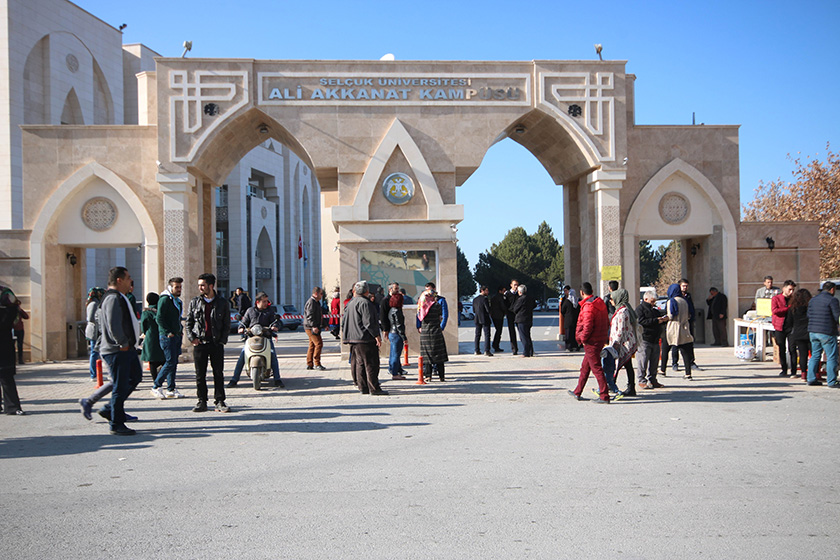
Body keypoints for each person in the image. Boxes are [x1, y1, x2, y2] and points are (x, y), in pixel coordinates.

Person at [97, 267, 143, 435]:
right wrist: (122, 342)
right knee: (120, 385)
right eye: (128, 278)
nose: (131, 281)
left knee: (135, 377)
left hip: (127, 348)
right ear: (119, 280)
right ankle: (116, 423)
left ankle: (111, 409)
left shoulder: (119, 297)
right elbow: (113, 324)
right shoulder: (112, 298)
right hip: (117, 350)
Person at [185, 273, 231, 412]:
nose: (200, 288)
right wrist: (191, 337)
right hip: (200, 343)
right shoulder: (195, 302)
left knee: (218, 373)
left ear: (211, 286)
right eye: (199, 285)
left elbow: (226, 324)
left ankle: (220, 400)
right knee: (200, 374)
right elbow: (189, 322)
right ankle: (201, 401)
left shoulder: (222, 303)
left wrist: (222, 340)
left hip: (215, 343)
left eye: (203, 285)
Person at [228, 292, 283, 387]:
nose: (266, 303)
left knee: (273, 355)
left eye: (267, 301)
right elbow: (244, 322)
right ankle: (234, 379)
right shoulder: (250, 311)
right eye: (264, 301)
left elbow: (274, 322)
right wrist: (241, 328)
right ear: (258, 302)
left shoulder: (269, 311)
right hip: (251, 337)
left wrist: (275, 326)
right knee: (242, 357)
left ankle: (277, 379)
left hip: (266, 337)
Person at [342, 281, 387, 395]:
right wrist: (376, 335)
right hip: (364, 338)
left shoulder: (350, 303)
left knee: (360, 364)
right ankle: (374, 388)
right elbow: (369, 322)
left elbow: (344, 322)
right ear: (367, 291)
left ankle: (363, 387)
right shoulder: (365, 303)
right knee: (371, 364)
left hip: (353, 338)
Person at [568, 282, 610, 403]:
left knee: (596, 368)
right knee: (585, 367)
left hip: (592, 341)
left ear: (581, 292)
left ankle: (604, 395)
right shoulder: (599, 303)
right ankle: (578, 391)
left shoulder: (588, 306)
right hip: (599, 338)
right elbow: (606, 321)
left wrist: (583, 339)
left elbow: (587, 326)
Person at [602, 288, 638, 397]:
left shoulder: (623, 311)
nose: (611, 301)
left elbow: (621, 329)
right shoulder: (621, 309)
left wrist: (615, 344)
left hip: (623, 344)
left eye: (612, 299)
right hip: (622, 343)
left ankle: (614, 386)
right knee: (624, 365)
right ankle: (621, 386)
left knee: (617, 365)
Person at [152, 277, 184, 399]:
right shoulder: (165, 300)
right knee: (170, 361)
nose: (179, 289)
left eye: (180, 287)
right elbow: (159, 318)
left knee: (174, 362)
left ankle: (171, 388)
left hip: (176, 335)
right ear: (170, 287)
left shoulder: (177, 301)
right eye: (176, 287)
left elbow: (177, 318)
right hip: (167, 336)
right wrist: (167, 331)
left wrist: (179, 330)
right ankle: (156, 385)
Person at [806, 281, 839, 387]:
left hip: (813, 331)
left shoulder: (813, 300)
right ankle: (832, 381)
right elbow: (836, 316)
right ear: (832, 289)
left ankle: (811, 378)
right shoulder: (832, 300)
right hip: (827, 332)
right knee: (831, 357)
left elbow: (808, 315)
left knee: (815, 355)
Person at [0, 284, 24, 415]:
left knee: (6, 375)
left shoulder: (5, 292)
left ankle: (12, 406)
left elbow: (14, 310)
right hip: (4, 339)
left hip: (3, 340)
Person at [636, 290, 667, 389]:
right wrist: (656, 320)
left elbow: (658, 321)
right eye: (652, 301)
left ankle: (653, 379)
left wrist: (663, 320)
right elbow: (641, 321)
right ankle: (641, 380)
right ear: (645, 299)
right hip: (645, 339)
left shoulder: (655, 310)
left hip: (655, 339)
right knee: (643, 361)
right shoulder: (640, 309)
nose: (653, 303)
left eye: (654, 301)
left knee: (654, 361)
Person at [417, 283, 449, 382]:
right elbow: (441, 315)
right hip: (436, 330)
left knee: (427, 355)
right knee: (438, 354)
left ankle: (428, 375)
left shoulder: (422, 307)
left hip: (426, 332)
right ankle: (441, 376)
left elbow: (418, 316)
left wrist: (419, 326)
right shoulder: (436, 305)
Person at [663, 283, 695, 380]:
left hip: (673, 327)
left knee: (665, 348)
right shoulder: (684, 301)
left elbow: (671, 315)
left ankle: (662, 369)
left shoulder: (671, 301)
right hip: (684, 327)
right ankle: (688, 373)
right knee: (685, 351)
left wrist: (663, 318)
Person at [381, 283, 409, 379]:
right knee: (395, 353)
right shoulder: (388, 303)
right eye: (395, 288)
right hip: (394, 332)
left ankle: (397, 369)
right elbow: (384, 317)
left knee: (394, 352)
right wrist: (385, 329)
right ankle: (394, 371)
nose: (397, 290)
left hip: (393, 332)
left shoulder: (393, 308)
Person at [669, 278, 697, 371]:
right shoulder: (673, 299)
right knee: (675, 345)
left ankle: (691, 362)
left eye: (686, 286)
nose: (685, 287)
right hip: (676, 325)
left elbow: (691, 309)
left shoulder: (687, 297)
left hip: (686, 323)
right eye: (683, 286)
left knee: (688, 344)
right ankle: (674, 363)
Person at [771, 280, 797, 377]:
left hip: (791, 327)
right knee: (781, 348)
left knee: (792, 349)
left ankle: (793, 371)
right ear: (784, 289)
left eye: (793, 290)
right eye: (790, 289)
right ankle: (784, 369)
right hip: (780, 326)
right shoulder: (776, 299)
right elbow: (775, 311)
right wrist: (788, 308)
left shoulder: (794, 299)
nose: (791, 292)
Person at [787, 288, 812, 381]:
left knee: (802, 354)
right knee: (814, 354)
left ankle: (803, 374)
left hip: (797, 333)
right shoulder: (810, 307)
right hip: (809, 332)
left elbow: (789, 322)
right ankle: (815, 373)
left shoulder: (792, 308)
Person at [140, 292, 165, 382]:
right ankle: (162, 375)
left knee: (153, 361)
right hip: (162, 335)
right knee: (163, 359)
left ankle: (155, 380)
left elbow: (143, 326)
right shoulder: (160, 310)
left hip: (150, 337)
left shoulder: (146, 312)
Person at [84, 287, 105, 380]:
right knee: (94, 352)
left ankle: (97, 373)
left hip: (96, 330)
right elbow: (91, 318)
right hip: (94, 331)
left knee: (96, 352)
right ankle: (94, 375)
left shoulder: (96, 302)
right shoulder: (94, 304)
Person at [304, 287, 327, 371]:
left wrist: (324, 324)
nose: (322, 295)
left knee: (312, 345)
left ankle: (309, 363)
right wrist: (313, 326)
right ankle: (317, 363)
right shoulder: (311, 302)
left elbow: (319, 315)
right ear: (316, 293)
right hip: (310, 327)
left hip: (313, 326)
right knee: (318, 344)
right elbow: (309, 316)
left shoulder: (316, 302)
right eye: (321, 293)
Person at [512, 284, 537, 357]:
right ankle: (530, 351)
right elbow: (534, 305)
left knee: (523, 336)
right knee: (528, 336)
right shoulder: (530, 298)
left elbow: (515, 309)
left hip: (521, 319)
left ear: (520, 292)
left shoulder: (520, 299)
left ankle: (526, 352)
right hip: (528, 319)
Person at [472, 285, 493, 356]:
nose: (488, 292)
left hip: (477, 319)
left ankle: (476, 350)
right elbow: (488, 309)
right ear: (482, 291)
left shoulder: (475, 299)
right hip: (485, 318)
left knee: (477, 335)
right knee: (487, 335)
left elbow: (474, 310)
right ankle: (487, 350)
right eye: (486, 290)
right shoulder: (485, 299)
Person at [560, 285, 580, 352]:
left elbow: (562, 310)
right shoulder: (577, 301)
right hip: (575, 320)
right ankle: (575, 346)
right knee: (574, 333)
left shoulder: (567, 301)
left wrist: (565, 316)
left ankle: (569, 347)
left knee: (569, 334)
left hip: (568, 320)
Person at [504, 279, 520, 355]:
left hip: (518, 315)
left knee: (522, 332)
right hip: (510, 315)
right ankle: (514, 349)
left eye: (517, 285)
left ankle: (527, 348)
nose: (516, 287)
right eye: (515, 285)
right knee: (512, 332)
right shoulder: (507, 294)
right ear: (511, 285)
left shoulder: (519, 294)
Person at [489, 286, 507, 352]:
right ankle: (495, 345)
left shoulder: (493, 297)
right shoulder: (501, 297)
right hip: (499, 315)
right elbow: (502, 306)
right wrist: (506, 312)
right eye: (503, 291)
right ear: (500, 291)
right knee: (499, 331)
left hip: (494, 316)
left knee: (498, 330)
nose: (504, 292)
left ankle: (495, 344)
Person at [12, 299, 28, 365]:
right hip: (13, 329)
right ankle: (13, 359)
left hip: (20, 329)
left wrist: (20, 310)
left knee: (20, 345)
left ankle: (20, 359)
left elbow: (26, 316)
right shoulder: (11, 312)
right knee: (12, 345)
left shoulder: (20, 312)